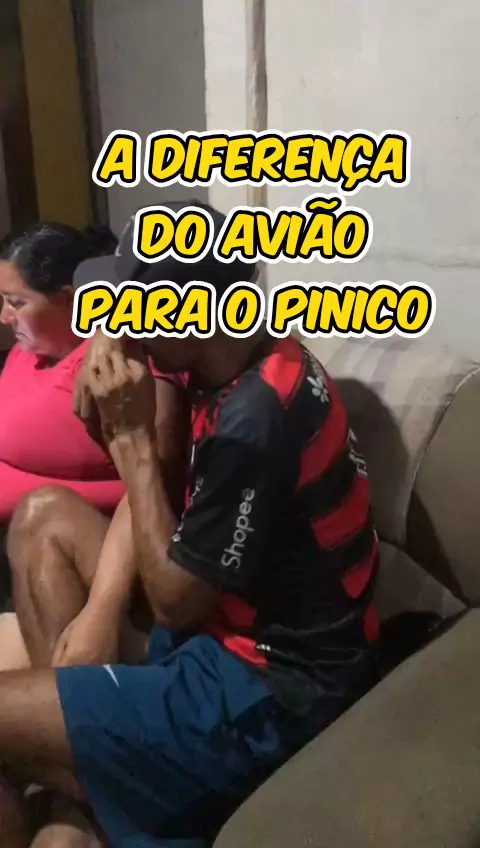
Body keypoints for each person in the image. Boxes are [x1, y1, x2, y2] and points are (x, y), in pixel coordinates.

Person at [0, 200, 379, 848]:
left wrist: (131, 443)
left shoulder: (253, 423)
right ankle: (91, 773)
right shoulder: (228, 352)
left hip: (269, 690)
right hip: (219, 631)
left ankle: (87, 781)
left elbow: (176, 601)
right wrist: (116, 339)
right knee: (43, 518)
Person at [0, 222, 188, 626]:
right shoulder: (27, 352)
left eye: (16, 302)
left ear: (70, 300)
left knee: (42, 519)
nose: (4, 317)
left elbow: (151, 481)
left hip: (94, 558)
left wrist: (110, 332)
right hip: (19, 556)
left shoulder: (118, 371)